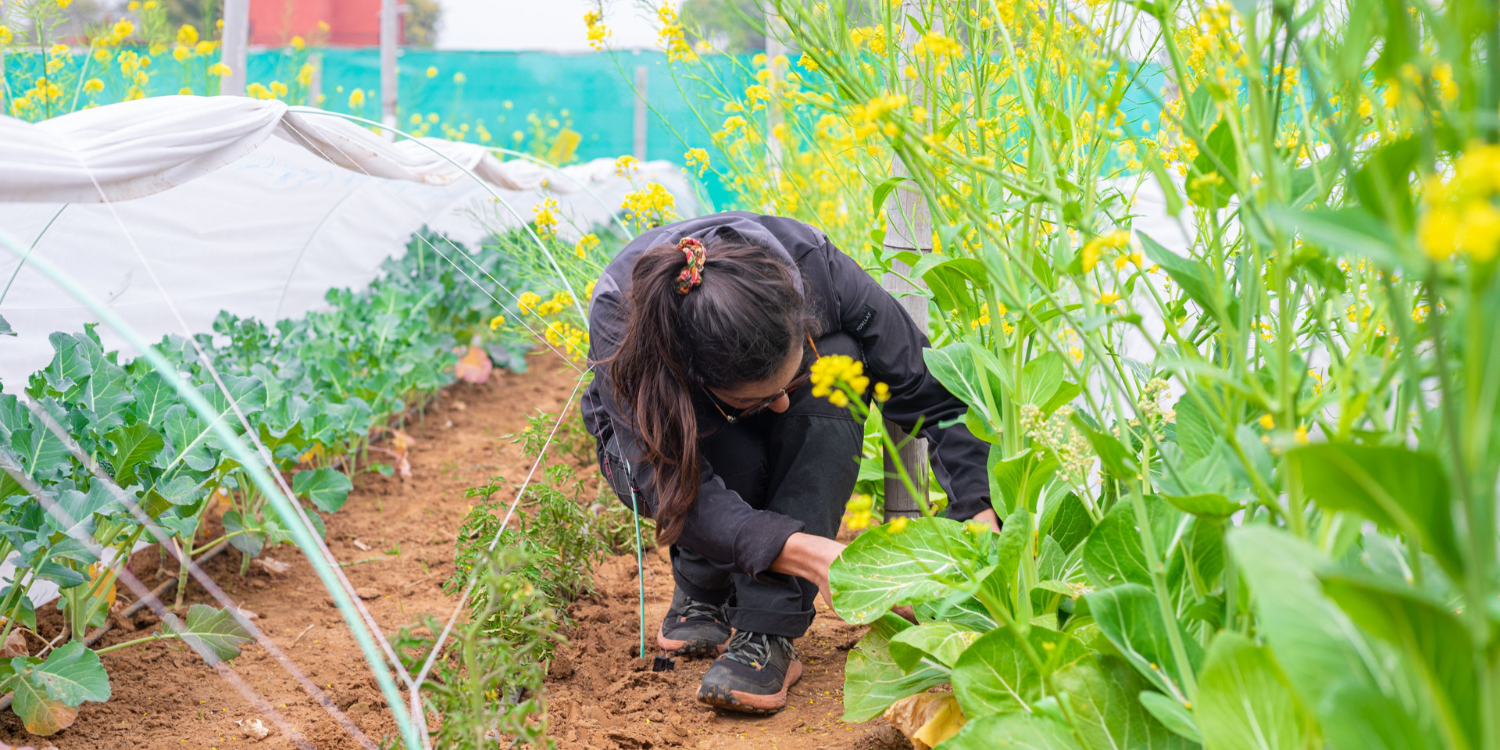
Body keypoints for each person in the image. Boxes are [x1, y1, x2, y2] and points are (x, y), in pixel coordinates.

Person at [583, 212, 998, 714]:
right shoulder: (623, 323)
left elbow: (932, 390)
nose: (781, 405)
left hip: (738, 379)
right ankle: (702, 580)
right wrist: (820, 556)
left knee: (837, 366)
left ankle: (767, 625)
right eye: (758, 398)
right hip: (659, 434)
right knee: (715, 439)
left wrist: (977, 510)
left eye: (787, 382)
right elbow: (665, 481)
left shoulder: (813, 267)